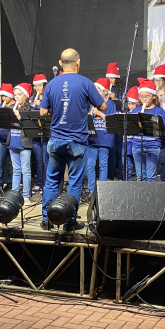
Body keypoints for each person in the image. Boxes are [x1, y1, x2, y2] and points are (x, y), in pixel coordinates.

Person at [40, 49, 106, 231]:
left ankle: (47, 219)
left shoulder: (52, 84)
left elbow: (43, 112)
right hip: (77, 142)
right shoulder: (85, 83)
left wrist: (58, 111)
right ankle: (69, 221)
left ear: (61, 64)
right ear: (78, 62)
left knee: (52, 180)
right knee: (75, 182)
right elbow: (103, 105)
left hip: (56, 140)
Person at [130, 78, 165, 182]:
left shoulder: (159, 111)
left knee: (151, 177)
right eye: (141, 97)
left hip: (153, 146)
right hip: (137, 145)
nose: (144, 99)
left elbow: (162, 130)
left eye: (147, 96)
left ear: (154, 96)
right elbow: (131, 129)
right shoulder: (135, 111)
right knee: (140, 177)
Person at [86, 78, 117, 197]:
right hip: (93, 138)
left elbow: (113, 121)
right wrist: (89, 116)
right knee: (90, 164)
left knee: (103, 165)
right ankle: (91, 190)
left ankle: (102, 190)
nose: (96, 91)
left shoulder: (111, 104)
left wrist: (99, 113)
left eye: (98, 89)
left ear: (105, 91)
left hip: (105, 138)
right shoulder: (93, 104)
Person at [8, 83, 36, 206]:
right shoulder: (13, 108)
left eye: (19, 94)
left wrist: (20, 118)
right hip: (12, 141)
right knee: (16, 170)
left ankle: (26, 196)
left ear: (26, 95)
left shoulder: (30, 109)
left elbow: (31, 127)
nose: (16, 97)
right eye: (15, 95)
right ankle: (14, 194)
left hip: (24, 142)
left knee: (26, 170)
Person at [105, 62, 125, 181]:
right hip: (109, 122)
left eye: (112, 78)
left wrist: (115, 99)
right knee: (111, 151)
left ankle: (122, 177)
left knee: (120, 151)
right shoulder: (105, 89)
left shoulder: (123, 90)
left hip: (120, 122)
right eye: (108, 78)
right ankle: (110, 176)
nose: (110, 80)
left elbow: (126, 106)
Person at [31, 74, 49, 192]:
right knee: (38, 160)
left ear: (44, 86)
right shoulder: (33, 99)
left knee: (46, 160)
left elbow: (49, 112)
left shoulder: (48, 97)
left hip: (46, 132)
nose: (37, 88)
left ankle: (47, 183)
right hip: (35, 132)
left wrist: (40, 105)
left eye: (39, 86)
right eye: (35, 86)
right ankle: (39, 183)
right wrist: (32, 107)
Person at [0, 83, 15, 192]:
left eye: (5, 96)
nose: (4, 98)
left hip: (12, 138)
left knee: (12, 163)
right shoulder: (0, 106)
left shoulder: (15, 106)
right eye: (2, 96)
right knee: (0, 162)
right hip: (2, 139)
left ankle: (10, 183)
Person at [123, 86, 140, 181]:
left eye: (133, 104)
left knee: (139, 169)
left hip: (136, 143)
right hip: (127, 143)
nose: (131, 106)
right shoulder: (126, 114)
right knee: (126, 167)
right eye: (129, 104)